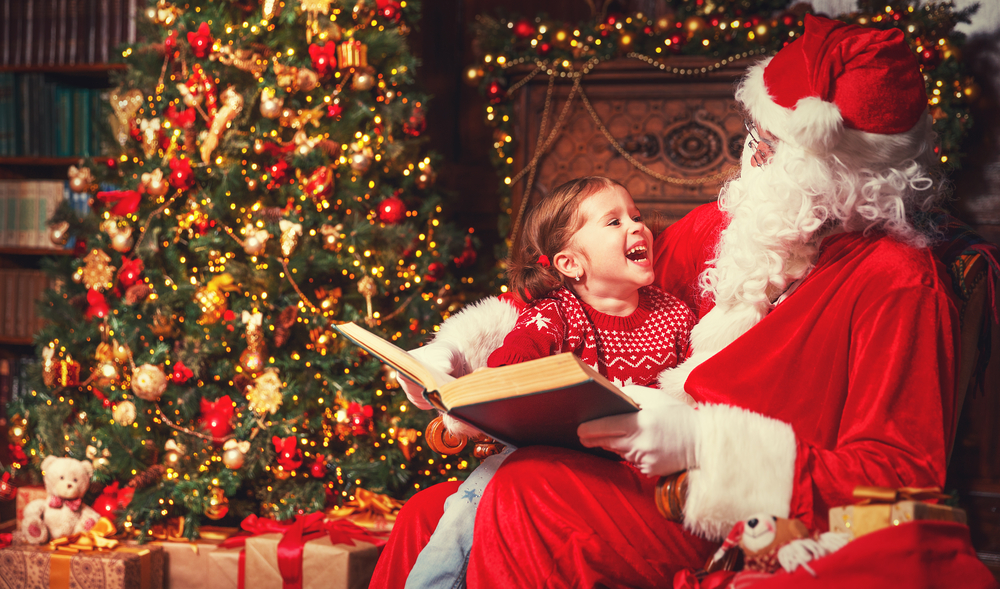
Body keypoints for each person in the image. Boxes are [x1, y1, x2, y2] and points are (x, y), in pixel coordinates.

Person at [371, 14, 998, 589]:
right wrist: (455, 349)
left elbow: (898, 479)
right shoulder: (737, 226)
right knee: (430, 515)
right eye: (755, 131)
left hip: (734, 517)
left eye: (768, 143)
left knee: (526, 494)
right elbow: (591, 289)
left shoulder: (899, 281)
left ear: (828, 170)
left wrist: (705, 443)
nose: (748, 154)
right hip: (645, 473)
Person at [404, 176, 697, 588]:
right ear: (570, 263)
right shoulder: (559, 310)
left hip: (629, 469)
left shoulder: (676, 315)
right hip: (548, 459)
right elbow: (520, 352)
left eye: (635, 215)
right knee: (471, 500)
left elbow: (690, 389)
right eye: (613, 222)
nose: (637, 227)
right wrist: (492, 381)